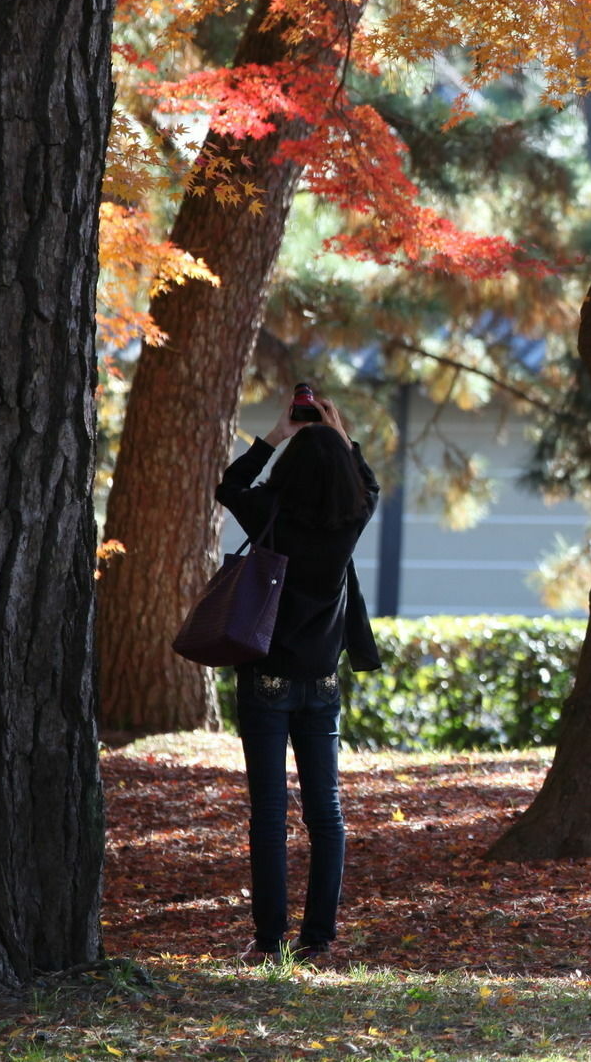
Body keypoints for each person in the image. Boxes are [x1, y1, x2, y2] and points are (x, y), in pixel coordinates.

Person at [214, 391, 381, 964]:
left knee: (269, 814)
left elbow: (229, 488)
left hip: (267, 679)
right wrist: (339, 435)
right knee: (326, 816)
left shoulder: (274, 512)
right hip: (322, 683)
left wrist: (275, 436)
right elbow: (369, 485)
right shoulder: (352, 517)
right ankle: (318, 938)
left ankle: (268, 940)